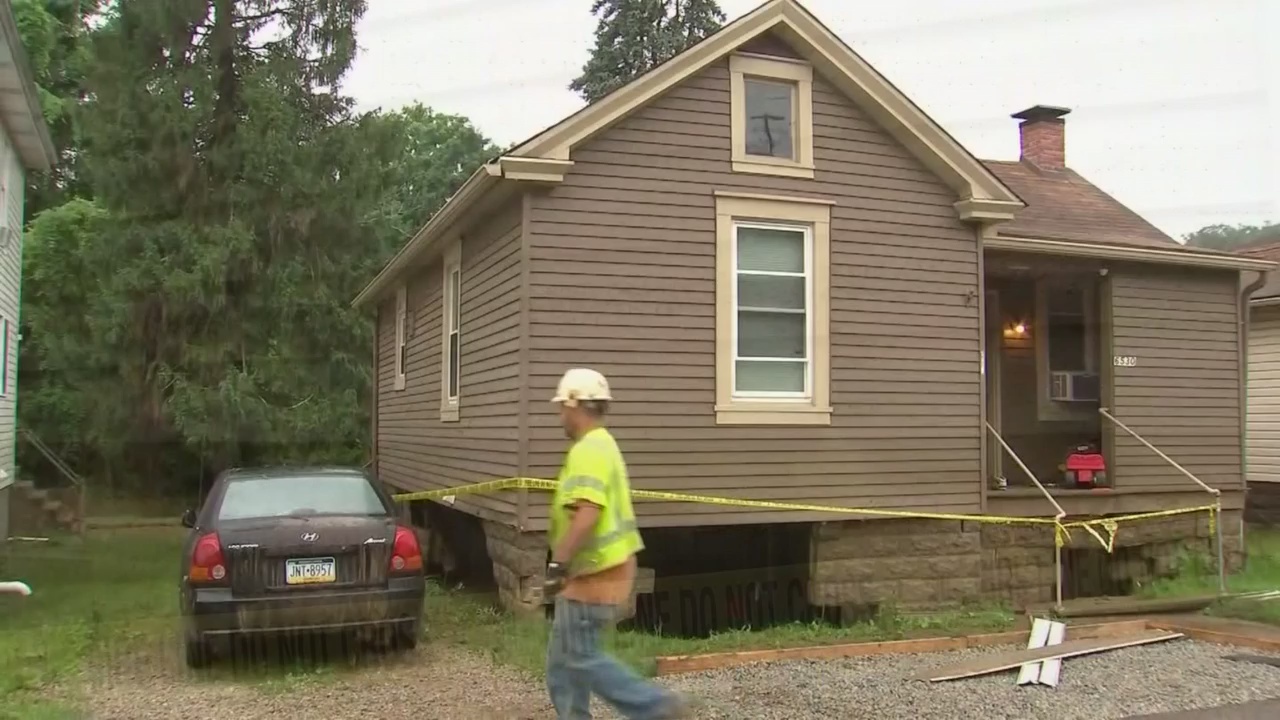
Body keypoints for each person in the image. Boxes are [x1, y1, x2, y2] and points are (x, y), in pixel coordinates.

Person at [543, 367, 691, 720]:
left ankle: (655, 707)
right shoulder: (602, 444)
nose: (560, 414)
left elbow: (588, 512)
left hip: (595, 573)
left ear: (575, 404)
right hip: (599, 570)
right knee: (561, 667)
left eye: (562, 406)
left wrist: (557, 563)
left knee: (581, 657)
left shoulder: (589, 450)